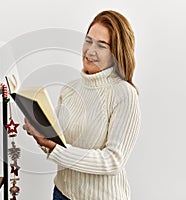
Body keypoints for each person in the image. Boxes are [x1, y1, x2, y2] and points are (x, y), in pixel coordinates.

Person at [23, 10, 140, 200]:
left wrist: (54, 148)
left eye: (101, 45)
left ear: (116, 53)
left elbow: (113, 161)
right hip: (61, 193)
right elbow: (59, 145)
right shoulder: (70, 89)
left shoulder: (124, 93)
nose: (90, 51)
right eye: (88, 40)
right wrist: (41, 135)